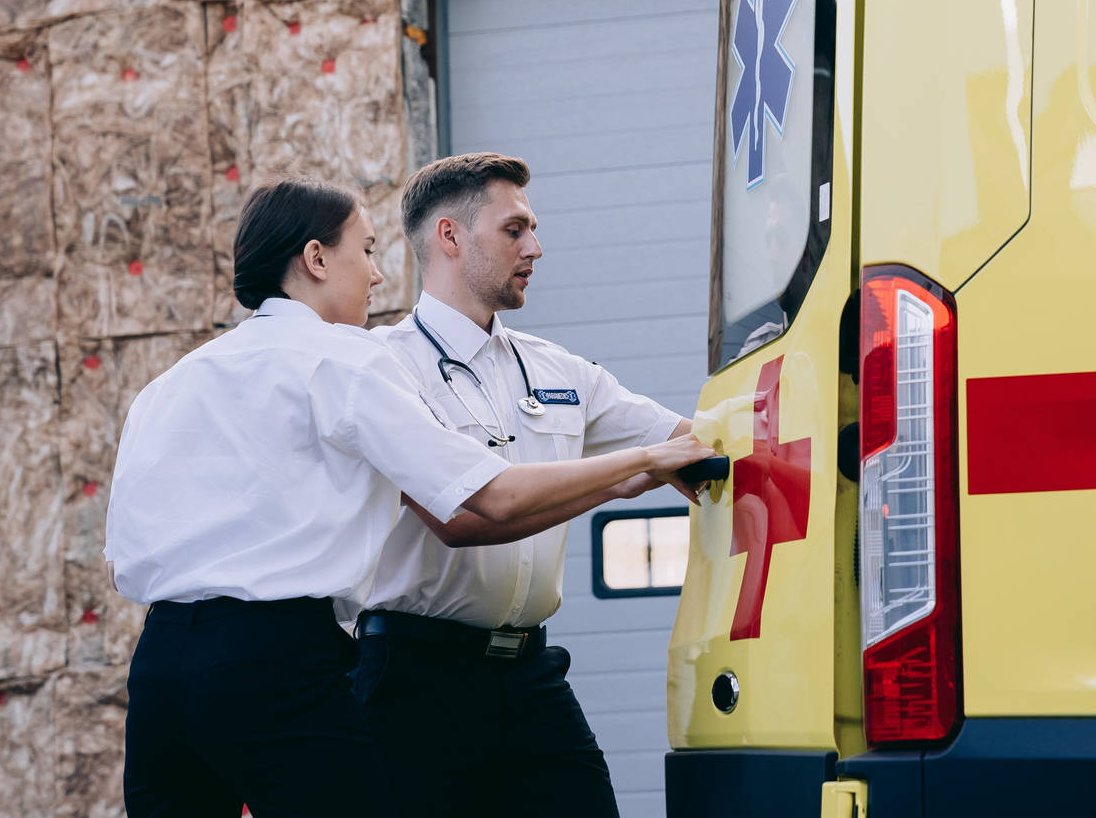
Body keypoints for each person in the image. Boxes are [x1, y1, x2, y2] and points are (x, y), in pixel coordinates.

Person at [106, 176, 710, 818]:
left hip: (161, 665)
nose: (375, 275)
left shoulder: (170, 383)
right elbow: (489, 498)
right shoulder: (345, 359)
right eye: (364, 252)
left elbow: (123, 554)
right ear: (315, 259)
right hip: (280, 658)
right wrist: (646, 462)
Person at [347, 152, 698, 817]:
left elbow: (688, 443)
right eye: (515, 230)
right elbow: (465, 520)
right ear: (450, 236)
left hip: (531, 674)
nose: (536, 247)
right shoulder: (382, 369)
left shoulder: (558, 370)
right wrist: (627, 471)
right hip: (416, 680)